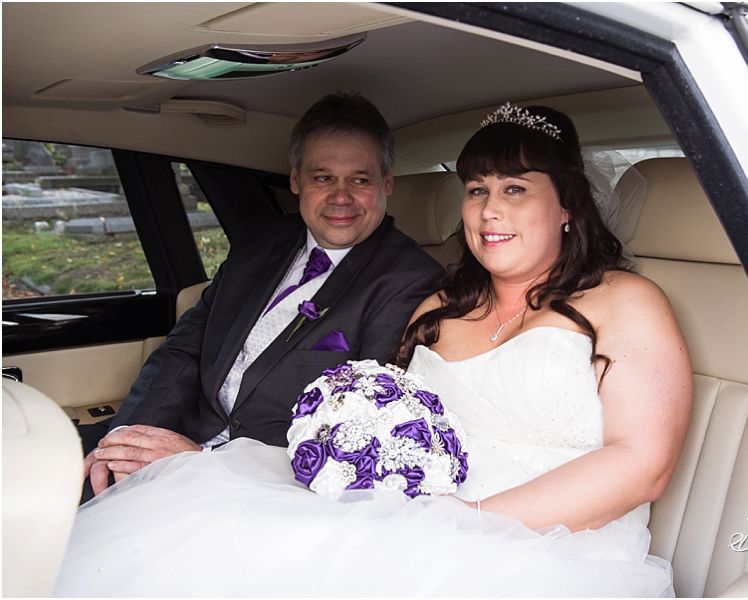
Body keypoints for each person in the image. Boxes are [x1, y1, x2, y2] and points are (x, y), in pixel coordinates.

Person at [56, 103, 692, 597]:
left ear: (567, 206)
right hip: (402, 514)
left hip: (545, 543)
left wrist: (466, 520)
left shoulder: (625, 301)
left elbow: (642, 464)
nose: (489, 211)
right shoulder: (440, 308)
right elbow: (367, 418)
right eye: (476, 191)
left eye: (515, 189)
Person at [82, 92, 445, 496]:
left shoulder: (413, 281)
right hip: (179, 437)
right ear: (295, 181)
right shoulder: (258, 240)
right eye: (322, 178)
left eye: (360, 180)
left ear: (386, 184)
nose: (341, 197)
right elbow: (186, 348)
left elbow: (358, 427)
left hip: (273, 486)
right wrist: (125, 440)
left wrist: (202, 464)